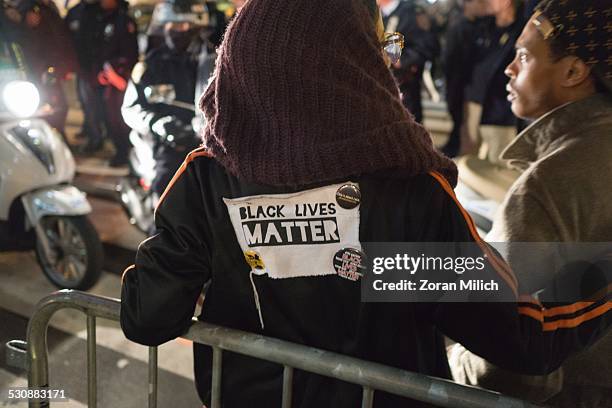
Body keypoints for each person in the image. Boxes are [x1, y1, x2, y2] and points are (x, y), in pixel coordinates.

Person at [120, 0, 611, 406]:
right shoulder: (409, 190)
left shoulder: (206, 180)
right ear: (350, 65)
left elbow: (148, 316)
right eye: (378, 50)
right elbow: (520, 338)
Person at [449, 0, 612, 406]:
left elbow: (513, 358)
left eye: (523, 56)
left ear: (574, 71)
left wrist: (452, 362)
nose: (508, 67)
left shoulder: (547, 184)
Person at [121, 0, 208, 201]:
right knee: (166, 196)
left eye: (184, 26)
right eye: (172, 25)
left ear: (197, 27)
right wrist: (158, 123)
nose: (178, 31)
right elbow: (130, 108)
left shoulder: (216, 61)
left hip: (209, 145)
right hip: (170, 147)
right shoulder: (150, 65)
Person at [66, 0, 138, 166]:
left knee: (119, 120)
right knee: (105, 117)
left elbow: (130, 53)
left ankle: (125, 153)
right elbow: (92, 48)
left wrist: (115, 72)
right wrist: (97, 73)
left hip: (117, 81)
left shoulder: (123, 21)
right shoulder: (95, 16)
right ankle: (117, 149)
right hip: (99, 77)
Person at [462, 0, 525, 162]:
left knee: (499, 162)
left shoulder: (522, 30)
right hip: (475, 102)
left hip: (501, 108)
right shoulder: (483, 28)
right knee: (467, 159)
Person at [3, 0, 77, 137]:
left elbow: (55, 38)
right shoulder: (19, 11)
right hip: (31, 69)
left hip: (42, 68)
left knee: (55, 108)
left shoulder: (40, 8)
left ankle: (55, 139)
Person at [377, 0, 439, 123]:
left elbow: (426, 46)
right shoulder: (372, 12)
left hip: (405, 88)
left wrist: (403, 61)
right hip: (378, 89)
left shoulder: (411, 12)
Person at [441, 0, 488, 157]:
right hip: (459, 80)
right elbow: (451, 58)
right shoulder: (460, 26)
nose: (482, 6)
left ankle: (453, 146)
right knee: (459, 116)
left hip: (468, 81)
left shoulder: (479, 25)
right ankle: (453, 148)